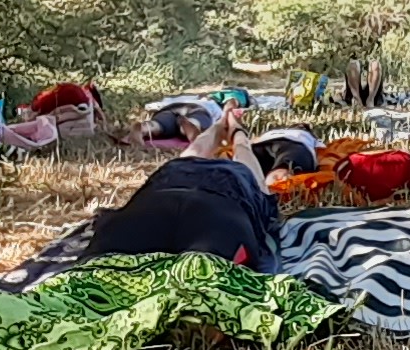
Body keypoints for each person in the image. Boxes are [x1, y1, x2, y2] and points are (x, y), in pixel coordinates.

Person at [85, 107, 278, 265]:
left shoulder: (181, 167)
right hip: (227, 200)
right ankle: (231, 124)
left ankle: (220, 124)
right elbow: (244, 150)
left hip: (164, 190)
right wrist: (238, 132)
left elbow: (198, 149)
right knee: (242, 149)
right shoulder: (241, 174)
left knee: (196, 151)